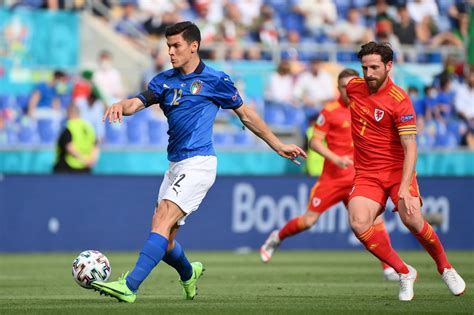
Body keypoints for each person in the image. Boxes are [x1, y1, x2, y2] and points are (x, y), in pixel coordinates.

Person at [91, 21, 306, 303]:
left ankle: (129, 285)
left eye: (176, 45)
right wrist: (122, 104)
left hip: (199, 163)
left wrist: (277, 144)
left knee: (163, 218)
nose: (170, 51)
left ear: (194, 46)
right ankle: (188, 272)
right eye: (168, 46)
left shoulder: (215, 80)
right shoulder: (164, 81)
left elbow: (246, 115)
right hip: (175, 165)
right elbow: (138, 102)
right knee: (165, 240)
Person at [346, 41, 466, 301]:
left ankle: (445, 267)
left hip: (396, 171)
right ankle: (404, 271)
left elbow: (410, 147)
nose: (368, 74)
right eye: (364, 68)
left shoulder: (400, 101)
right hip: (367, 173)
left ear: (389, 66)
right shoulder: (353, 87)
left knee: (411, 218)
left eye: (375, 67)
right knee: (357, 222)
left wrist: (404, 188)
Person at [260, 68, 399, 281]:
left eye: (352, 85)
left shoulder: (369, 107)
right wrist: (335, 158)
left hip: (358, 178)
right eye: (344, 87)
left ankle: (389, 268)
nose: (348, 90)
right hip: (332, 179)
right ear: (338, 89)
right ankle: (277, 237)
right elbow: (314, 142)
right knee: (308, 221)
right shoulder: (330, 111)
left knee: (376, 221)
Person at [53, 105, 100, 174]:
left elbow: (69, 147)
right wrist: (91, 161)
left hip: (67, 168)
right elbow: (95, 146)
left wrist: (83, 159)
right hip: (86, 169)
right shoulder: (89, 127)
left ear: (69, 114)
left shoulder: (69, 127)